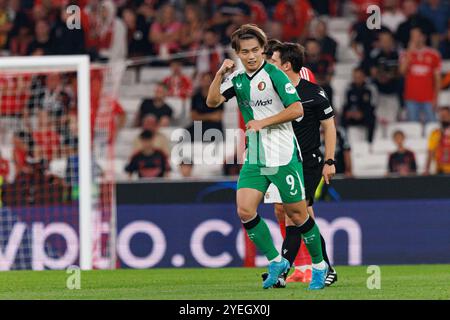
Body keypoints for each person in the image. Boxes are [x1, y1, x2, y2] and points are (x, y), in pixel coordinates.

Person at [206, 24, 328, 290]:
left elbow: (296, 109)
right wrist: (219, 74)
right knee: (245, 210)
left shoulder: (275, 74)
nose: (251, 56)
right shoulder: (237, 78)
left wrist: (264, 122)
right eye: (245, 52)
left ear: (262, 49)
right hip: (256, 155)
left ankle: (319, 266)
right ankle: (275, 261)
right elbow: (212, 102)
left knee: (298, 215)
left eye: (255, 50)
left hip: (283, 153)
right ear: (237, 53)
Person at [263, 41, 338, 286]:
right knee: (294, 216)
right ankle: (318, 268)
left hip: (308, 162)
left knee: (297, 215)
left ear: (286, 65)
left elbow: (329, 127)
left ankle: (294, 270)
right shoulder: (272, 93)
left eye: (273, 61)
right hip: (282, 161)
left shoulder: (313, 92)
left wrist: (329, 160)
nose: (268, 65)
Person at [399, 27, 441, 123]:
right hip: (411, 97)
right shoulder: (405, 54)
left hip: (428, 98)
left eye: (416, 36)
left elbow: (438, 80)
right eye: (412, 36)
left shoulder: (433, 54)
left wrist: (436, 98)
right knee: (413, 127)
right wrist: (410, 52)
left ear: (423, 37)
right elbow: (401, 71)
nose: (414, 39)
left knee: (432, 125)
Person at [341, 67, 377, 144]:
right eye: (355, 77)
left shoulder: (370, 88)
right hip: (351, 115)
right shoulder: (348, 88)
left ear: (364, 77)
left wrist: (362, 113)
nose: (357, 79)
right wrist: (348, 113)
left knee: (372, 119)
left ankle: (369, 143)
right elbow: (344, 104)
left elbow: (373, 105)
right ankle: (345, 143)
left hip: (365, 115)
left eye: (359, 77)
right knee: (342, 119)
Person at [425, 106, 450, 175]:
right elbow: (430, 151)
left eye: (446, 115)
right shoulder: (435, 133)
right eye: (442, 116)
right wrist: (427, 169)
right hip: (440, 170)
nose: (444, 118)